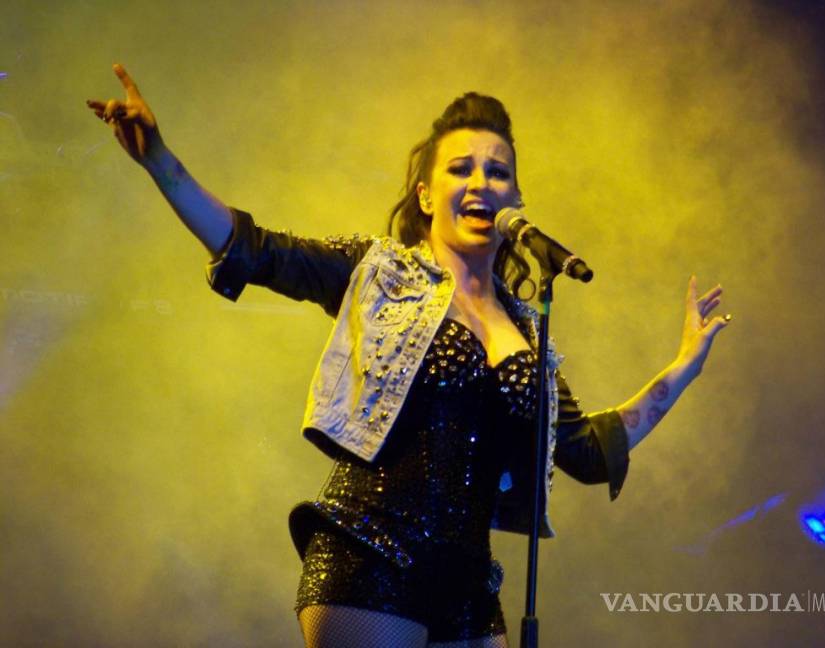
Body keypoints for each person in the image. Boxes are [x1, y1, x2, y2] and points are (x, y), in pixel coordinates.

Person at [87, 64, 730, 648]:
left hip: (468, 586)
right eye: (461, 168)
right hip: (370, 557)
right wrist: (160, 161)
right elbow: (256, 250)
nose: (481, 182)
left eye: (497, 172)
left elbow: (585, 449)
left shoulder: (527, 327)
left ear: (515, 201)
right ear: (426, 195)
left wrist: (684, 367)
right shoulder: (381, 273)